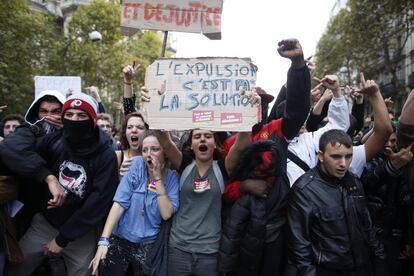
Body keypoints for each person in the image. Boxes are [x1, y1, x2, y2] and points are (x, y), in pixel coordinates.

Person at [141, 87, 261, 276]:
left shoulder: (223, 168)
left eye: (207, 136)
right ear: (191, 144)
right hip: (178, 249)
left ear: (215, 143)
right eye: (197, 136)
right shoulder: (184, 164)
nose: (202, 139)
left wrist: (250, 110)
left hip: (210, 252)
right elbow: (164, 141)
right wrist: (152, 105)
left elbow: (241, 143)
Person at [1, 93, 119, 276]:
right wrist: (48, 177)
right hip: (47, 222)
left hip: (81, 230)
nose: (74, 120)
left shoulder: (106, 154)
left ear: (93, 119)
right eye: (69, 114)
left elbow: (98, 202)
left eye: (81, 115)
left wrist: (62, 240)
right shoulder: (55, 139)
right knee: (15, 268)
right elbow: (13, 150)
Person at [287, 129, 387, 276]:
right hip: (327, 270)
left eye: (348, 157)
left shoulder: (354, 182)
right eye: (336, 157)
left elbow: (367, 226)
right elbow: (299, 245)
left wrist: (380, 260)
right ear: (321, 156)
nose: (343, 163)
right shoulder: (304, 191)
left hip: (361, 267)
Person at [89, 130, 179, 275]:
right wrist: (104, 240)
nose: (149, 154)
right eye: (145, 150)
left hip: (149, 244)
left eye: (155, 149)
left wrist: (157, 179)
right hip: (121, 238)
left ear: (165, 152)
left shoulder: (172, 179)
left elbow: (166, 214)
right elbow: (119, 203)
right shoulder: (137, 165)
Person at [361, 127, 413, 274]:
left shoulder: (406, 162)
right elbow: (369, 181)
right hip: (371, 235)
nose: (389, 144)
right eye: (386, 140)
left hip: (395, 238)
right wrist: (391, 167)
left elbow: (406, 204)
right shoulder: (367, 159)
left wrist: (408, 239)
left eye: (393, 140)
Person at [116, 112, 149, 177]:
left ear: (147, 132)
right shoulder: (117, 157)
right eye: (129, 127)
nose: (134, 130)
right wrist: (118, 174)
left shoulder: (154, 159)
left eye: (140, 127)